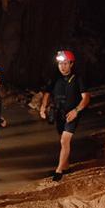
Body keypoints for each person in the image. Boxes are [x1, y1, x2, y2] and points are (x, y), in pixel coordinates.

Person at [39, 50, 90, 181]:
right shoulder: (55, 77)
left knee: (64, 140)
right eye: (60, 63)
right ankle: (66, 166)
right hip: (58, 113)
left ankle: (59, 171)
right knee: (63, 141)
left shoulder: (78, 78)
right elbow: (47, 93)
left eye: (65, 63)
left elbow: (86, 98)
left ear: (71, 64)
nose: (62, 66)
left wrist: (76, 111)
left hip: (72, 114)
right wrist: (43, 107)